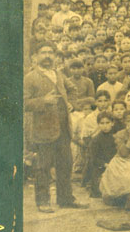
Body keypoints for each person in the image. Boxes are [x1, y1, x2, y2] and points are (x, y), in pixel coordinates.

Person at [24, 44, 86, 212]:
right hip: (43, 129)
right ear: (36, 56)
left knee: (65, 165)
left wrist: (70, 103)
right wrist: (43, 101)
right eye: (43, 52)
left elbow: (72, 89)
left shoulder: (58, 74)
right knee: (43, 167)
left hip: (64, 128)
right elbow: (24, 102)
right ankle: (43, 202)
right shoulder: (30, 78)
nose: (47, 56)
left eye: (50, 52)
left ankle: (65, 199)